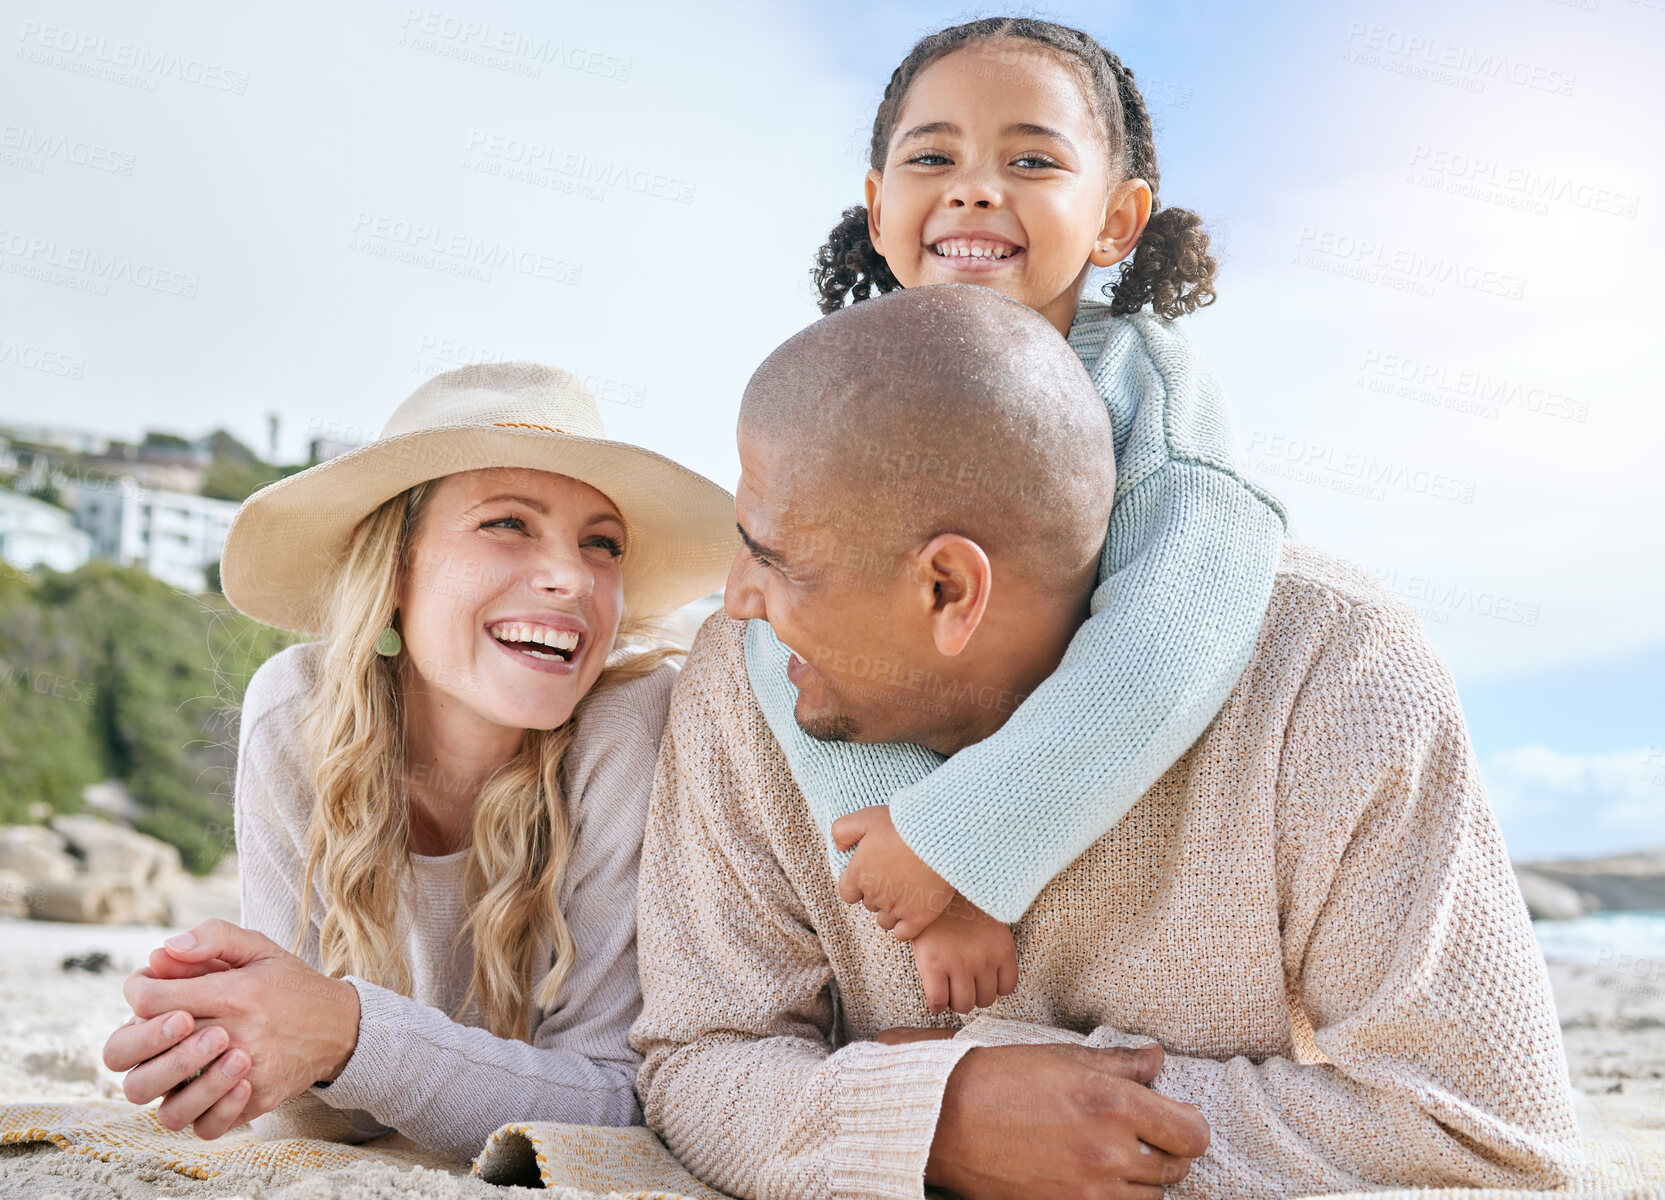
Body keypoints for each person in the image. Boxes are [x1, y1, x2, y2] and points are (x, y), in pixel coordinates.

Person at [631, 286, 1583, 1200]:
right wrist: (938, 1121)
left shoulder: (1331, 672)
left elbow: (1479, 1125)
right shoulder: (736, 680)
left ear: (948, 592)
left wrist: (1027, 1112)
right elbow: (697, 1061)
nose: (739, 596)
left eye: (771, 557)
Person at [752, 16, 1289, 1015]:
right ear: (878, 209)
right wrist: (904, 843)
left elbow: (1174, 626)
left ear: (1116, 221)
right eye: (932, 156)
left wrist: (964, 837)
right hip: (914, 899)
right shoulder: (837, 393)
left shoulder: (1149, 385)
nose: (974, 187)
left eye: (1032, 159)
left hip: (1114, 848)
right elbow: (781, 632)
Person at [99, 364, 736, 1160]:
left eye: (601, 544)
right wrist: (230, 1039)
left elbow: (623, 1104)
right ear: (396, 569)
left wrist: (341, 1033)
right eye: (506, 524)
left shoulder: (628, 727)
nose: (571, 577)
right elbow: (309, 1111)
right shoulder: (298, 712)